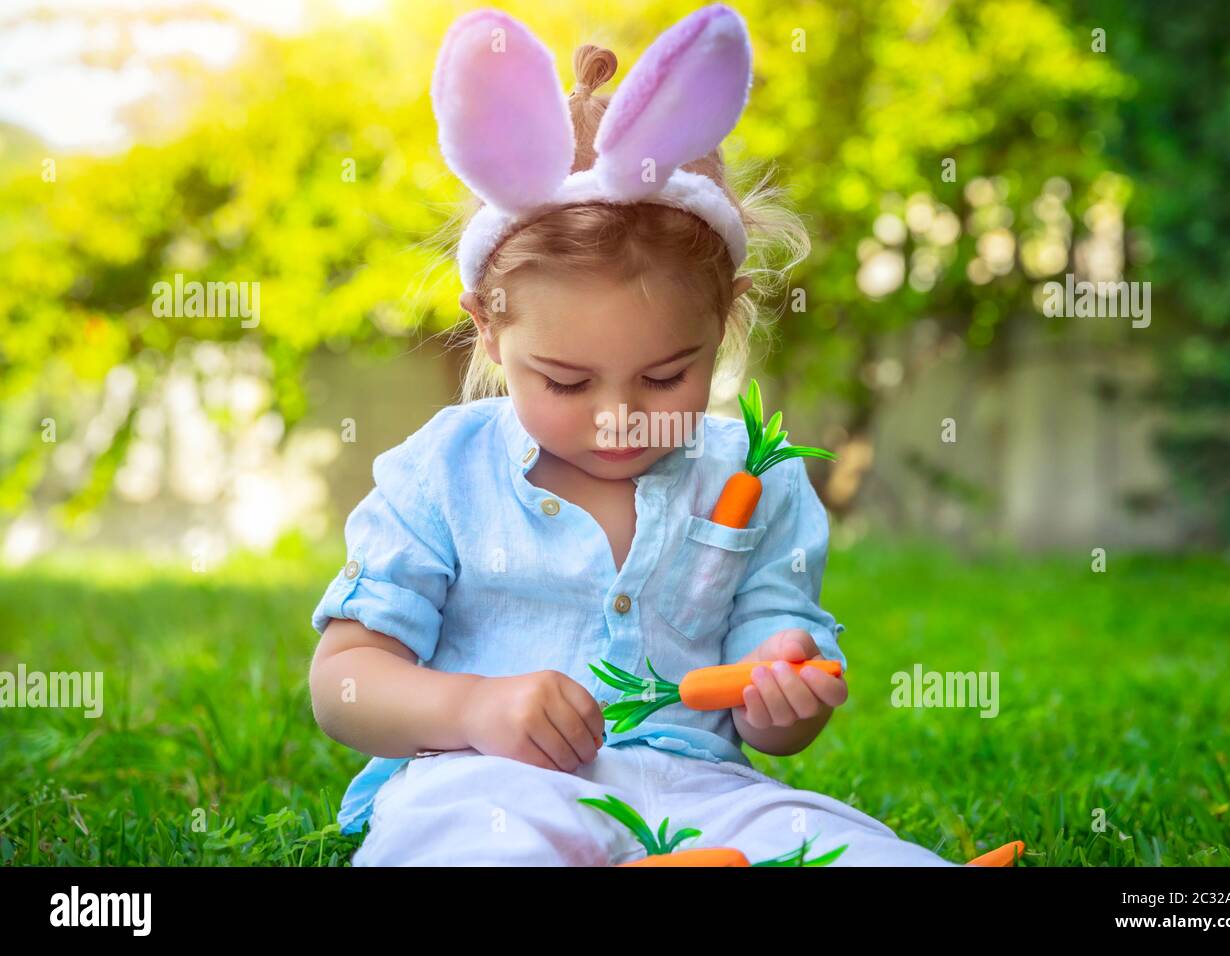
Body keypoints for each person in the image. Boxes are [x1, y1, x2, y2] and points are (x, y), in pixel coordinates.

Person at [308, 4, 957, 867]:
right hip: (487, 780)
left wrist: (783, 688)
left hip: (700, 790)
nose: (619, 414)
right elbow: (343, 682)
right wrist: (471, 708)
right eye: (566, 382)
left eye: (665, 376)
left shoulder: (755, 479)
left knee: (842, 849)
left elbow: (775, 649)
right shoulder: (444, 472)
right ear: (490, 331)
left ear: (725, 321)